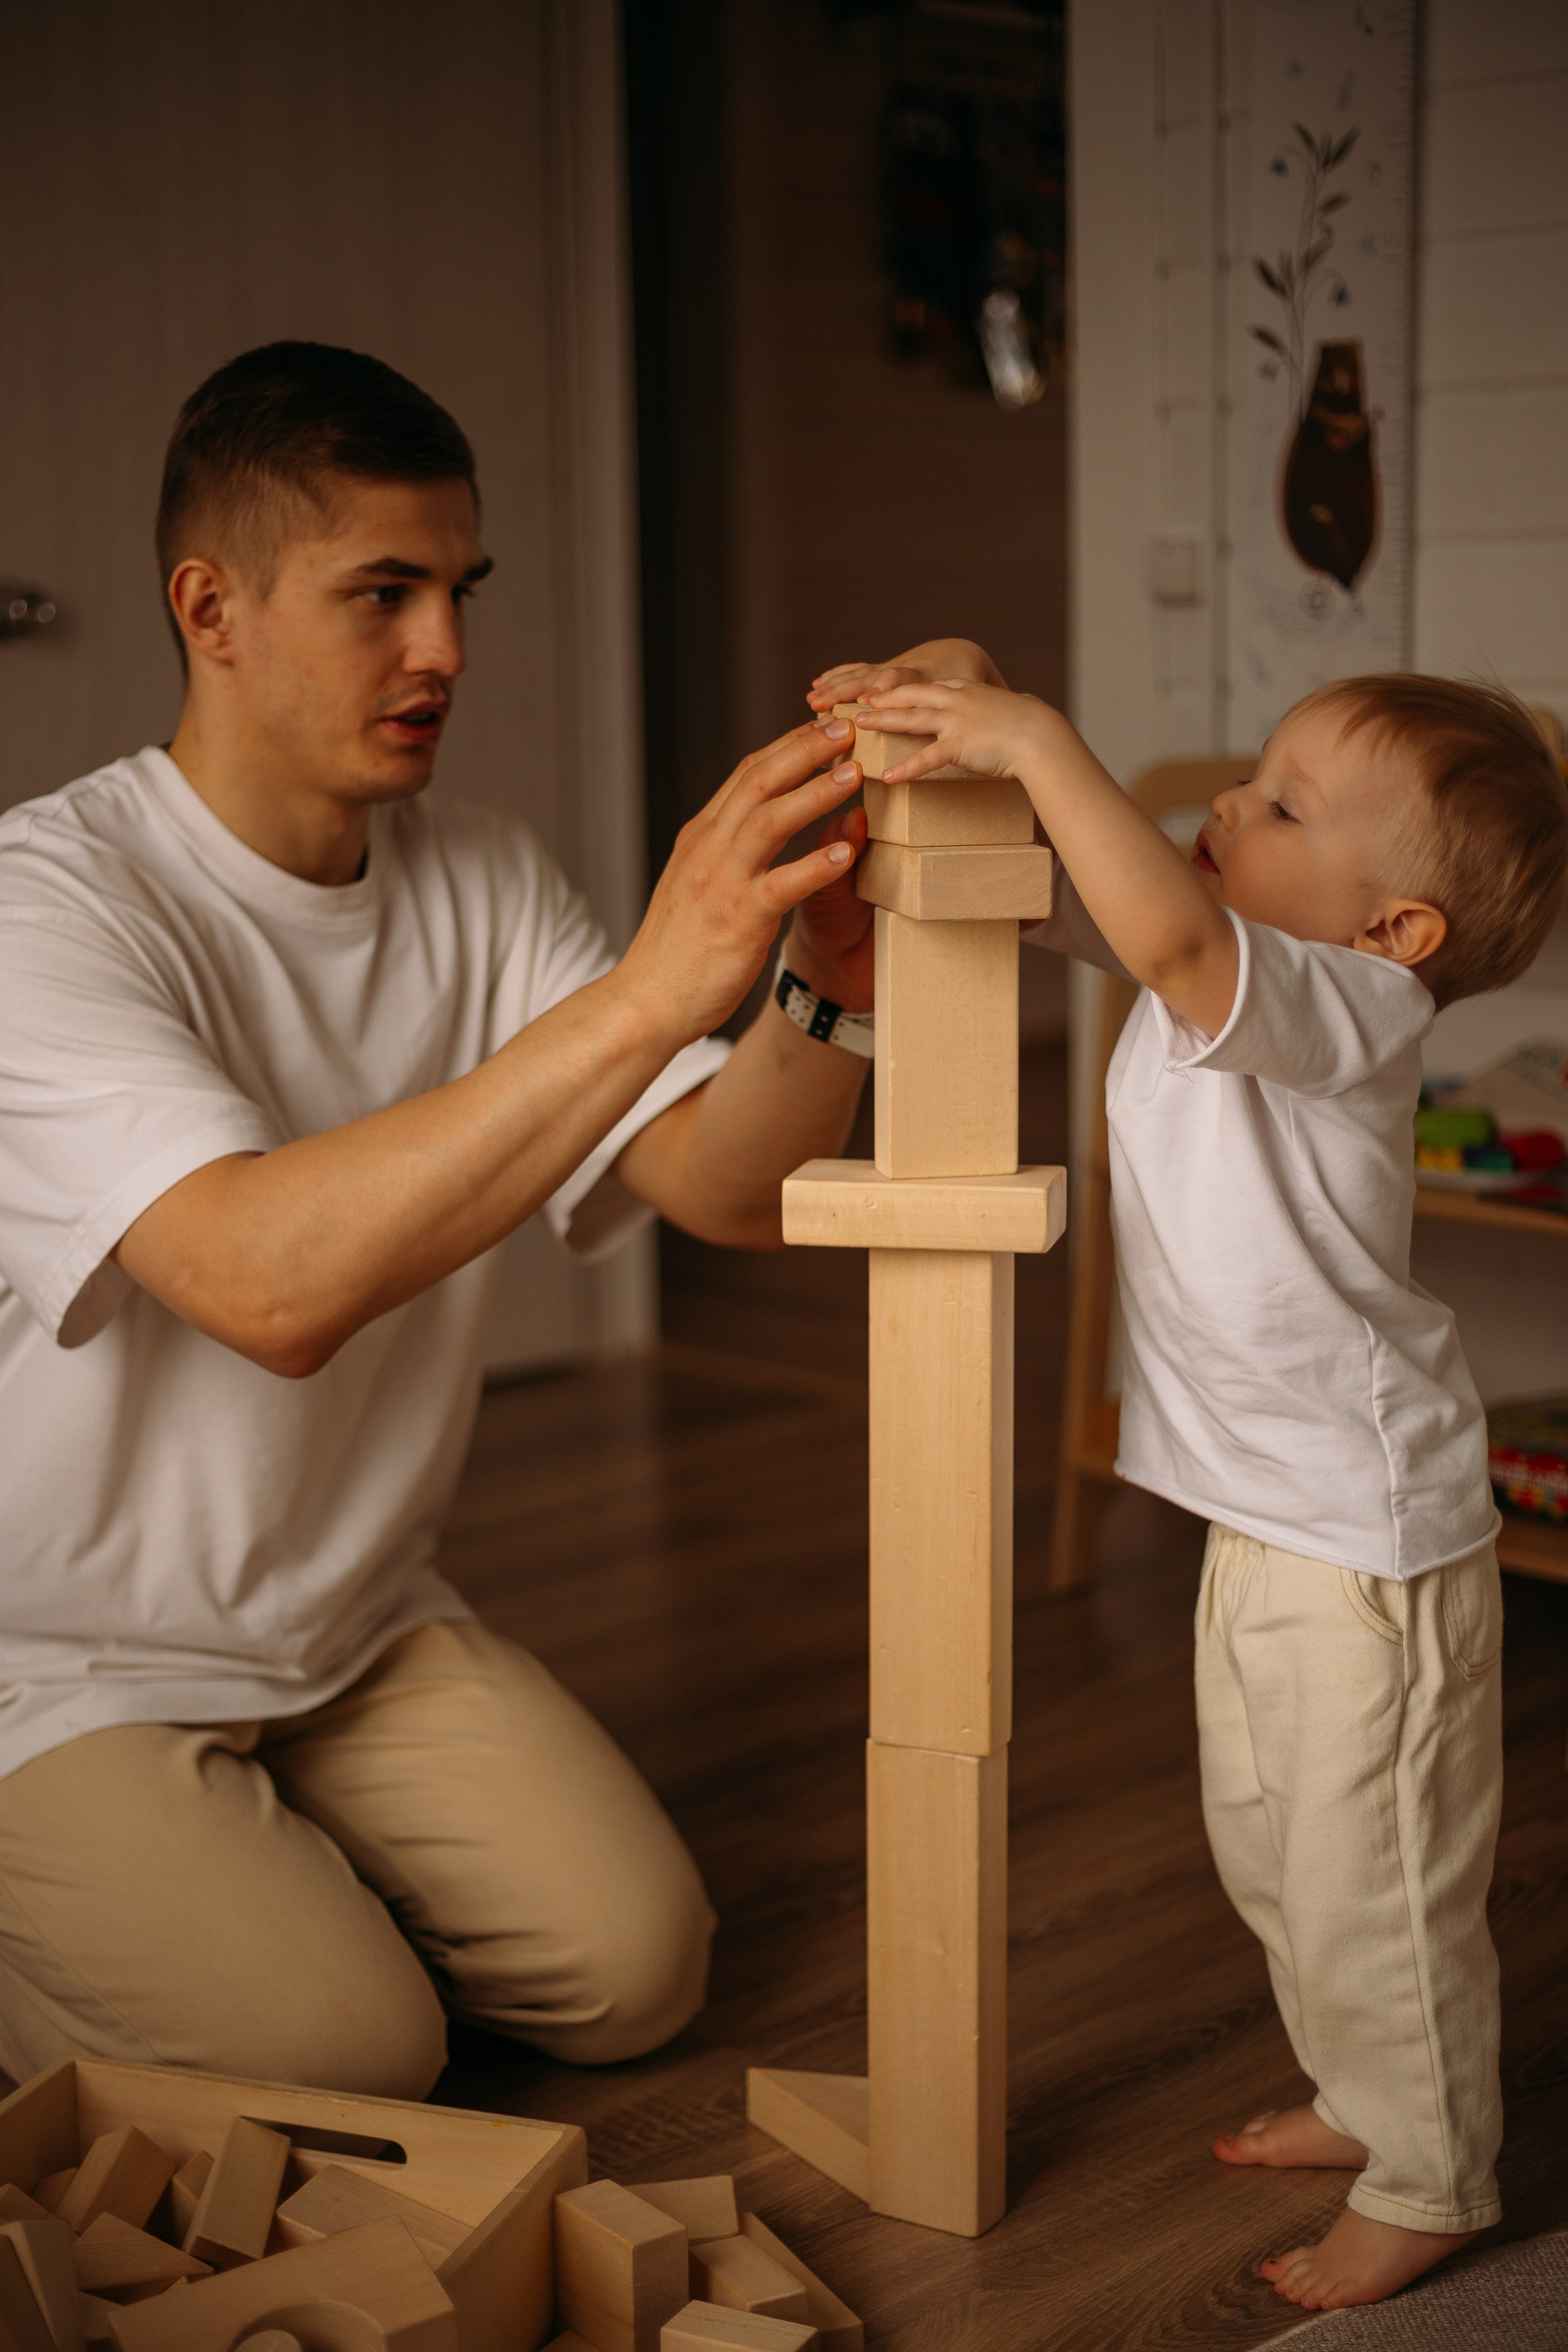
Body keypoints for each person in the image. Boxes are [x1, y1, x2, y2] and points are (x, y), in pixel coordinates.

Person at [0, 342, 880, 2100]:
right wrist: (646, 993)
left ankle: (233, 1881)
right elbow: (263, 1286)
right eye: (382, 594)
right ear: (212, 607)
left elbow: (727, 1189)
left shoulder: (480, 874)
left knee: (638, 1974)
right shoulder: (48, 902)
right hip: (55, 1651)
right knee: (347, 2053)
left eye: (459, 591)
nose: (447, 654)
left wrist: (819, 987)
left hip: (353, 1614)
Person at [810, 646, 1568, 2312]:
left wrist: (1036, 734)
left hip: (1364, 1549)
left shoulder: (1343, 1006)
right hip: (1266, 1525)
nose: (1229, 802)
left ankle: (1434, 2170)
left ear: (1398, 931)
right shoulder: (1221, 973)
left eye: (1285, 804)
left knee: (1370, 1872)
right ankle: (1365, 2091)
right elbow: (1091, 900)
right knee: (1272, 1847)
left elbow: (1160, 927)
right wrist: (961, 719)